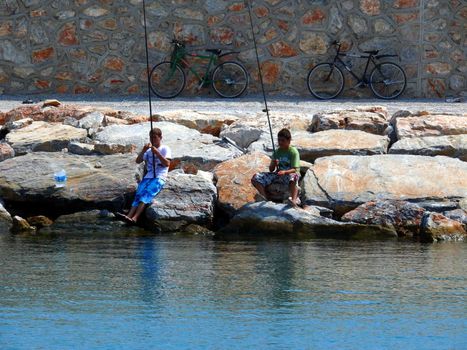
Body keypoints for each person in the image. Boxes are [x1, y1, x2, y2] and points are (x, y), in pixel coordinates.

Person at [118, 128, 171, 223]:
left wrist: (157, 153)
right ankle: (129, 216)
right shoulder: (149, 151)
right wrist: (143, 150)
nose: (152, 140)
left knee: (147, 193)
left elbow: (167, 164)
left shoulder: (165, 148)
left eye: (155, 137)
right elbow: (138, 161)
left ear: (160, 137)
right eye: (151, 137)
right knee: (139, 193)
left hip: (159, 176)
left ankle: (135, 218)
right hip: (148, 176)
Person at [251, 128, 301, 206]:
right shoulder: (277, 152)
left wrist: (285, 172)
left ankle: (293, 200)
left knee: (294, 177)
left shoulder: (293, 152)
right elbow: (271, 170)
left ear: (289, 140)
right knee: (256, 177)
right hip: (279, 174)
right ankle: (264, 197)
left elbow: (295, 169)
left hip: (289, 174)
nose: (280, 142)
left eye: (283, 140)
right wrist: (274, 163)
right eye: (279, 140)